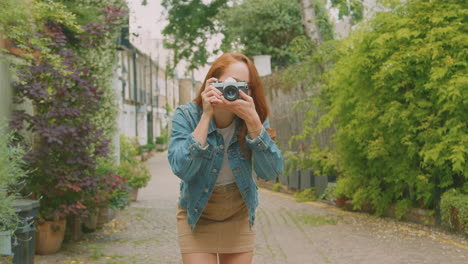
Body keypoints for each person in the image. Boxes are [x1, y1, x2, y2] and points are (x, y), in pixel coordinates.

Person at [168, 52, 283, 264]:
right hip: (197, 213)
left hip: (237, 214)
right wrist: (206, 116)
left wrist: (254, 124)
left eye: (243, 86)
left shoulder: (253, 117)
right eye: (230, 84)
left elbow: (271, 172)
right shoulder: (187, 115)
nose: (234, 91)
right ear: (211, 83)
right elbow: (181, 169)